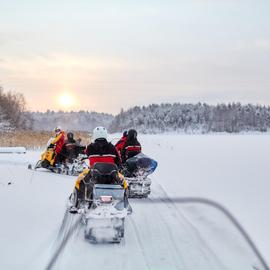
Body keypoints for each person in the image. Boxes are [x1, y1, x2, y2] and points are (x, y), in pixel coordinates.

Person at [71, 126, 127, 210]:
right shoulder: (112, 147)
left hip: (94, 175)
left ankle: (77, 205)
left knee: (79, 181)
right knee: (124, 183)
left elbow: (83, 154)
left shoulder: (90, 147)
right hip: (111, 176)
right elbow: (119, 161)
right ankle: (125, 203)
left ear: (95, 135)